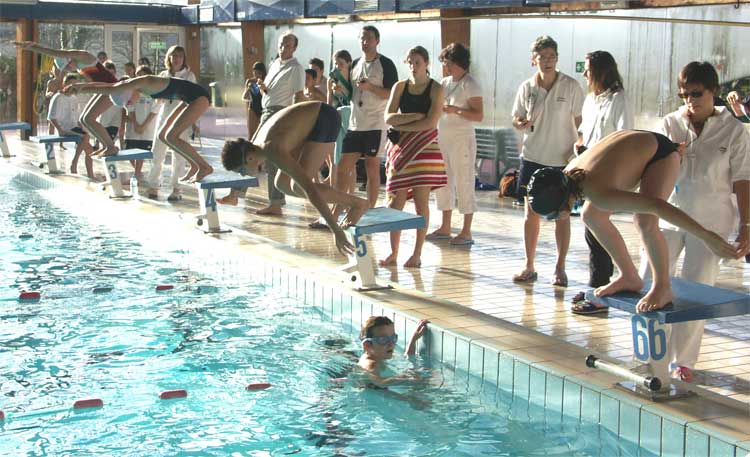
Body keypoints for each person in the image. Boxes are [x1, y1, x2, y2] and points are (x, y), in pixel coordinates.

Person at [526, 130, 742, 313]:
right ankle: (629, 276)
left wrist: (707, 237)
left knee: (645, 221)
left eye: (553, 215)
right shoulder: (572, 172)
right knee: (591, 215)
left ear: (563, 204)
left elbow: (658, 206)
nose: (555, 219)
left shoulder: (598, 192)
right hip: (644, 143)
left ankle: (662, 287)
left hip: (661, 155)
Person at [643, 61, 750, 382]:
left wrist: (746, 226)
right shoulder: (670, 123)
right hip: (669, 216)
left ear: (713, 91)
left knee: (696, 288)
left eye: (697, 93)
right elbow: (650, 170)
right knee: (652, 281)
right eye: (684, 94)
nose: (690, 100)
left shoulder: (733, 130)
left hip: (712, 223)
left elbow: (743, 180)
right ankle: (649, 354)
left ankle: (683, 361)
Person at [220, 101, 369, 256]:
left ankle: (358, 204)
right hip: (309, 123)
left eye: (241, 170)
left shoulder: (272, 149)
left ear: (249, 158)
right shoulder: (257, 145)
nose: (243, 174)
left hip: (324, 119)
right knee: (281, 183)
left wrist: (336, 231)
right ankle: (351, 203)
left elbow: (310, 190)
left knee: (299, 186)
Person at [511, 35, 584, 287]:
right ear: (534, 60)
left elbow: (580, 121)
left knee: (562, 214)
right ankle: (529, 265)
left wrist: (581, 149)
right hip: (533, 156)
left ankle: (560, 267)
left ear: (557, 58)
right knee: (530, 214)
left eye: (552, 56)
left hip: (563, 159)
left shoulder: (570, 86)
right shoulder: (527, 87)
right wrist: (520, 123)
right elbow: (516, 118)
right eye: (542, 57)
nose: (547, 61)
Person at [570, 50, 634, 315]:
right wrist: (580, 146)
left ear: (602, 71)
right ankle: (599, 282)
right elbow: (584, 132)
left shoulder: (619, 99)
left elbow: (625, 136)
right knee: (592, 226)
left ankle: (602, 283)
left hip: (609, 170)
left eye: (588, 69)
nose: (585, 74)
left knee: (594, 222)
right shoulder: (591, 99)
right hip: (589, 169)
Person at [64, 74, 214, 182]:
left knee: (171, 136)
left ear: (128, 93)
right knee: (162, 136)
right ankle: (194, 165)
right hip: (187, 99)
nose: (131, 104)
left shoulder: (145, 82)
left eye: (129, 102)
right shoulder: (133, 86)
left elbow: (111, 89)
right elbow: (110, 87)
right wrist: (80, 86)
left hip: (199, 98)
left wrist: (80, 89)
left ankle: (204, 167)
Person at [217, 32, 305, 211]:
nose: (283, 48)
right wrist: (264, 89)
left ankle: (245, 196)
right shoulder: (275, 64)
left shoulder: (296, 68)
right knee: (262, 156)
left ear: (295, 48)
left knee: (256, 153)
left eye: (288, 45)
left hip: (280, 114)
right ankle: (269, 202)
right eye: (281, 44)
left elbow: (299, 96)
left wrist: (293, 123)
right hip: (267, 111)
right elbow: (272, 92)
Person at [380, 46, 446, 268]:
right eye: (410, 62)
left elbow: (431, 122)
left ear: (426, 64)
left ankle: (417, 254)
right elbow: (389, 117)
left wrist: (403, 125)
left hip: (425, 149)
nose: (413, 66)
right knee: (395, 202)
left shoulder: (436, 88)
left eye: (417, 62)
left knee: (421, 203)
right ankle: (393, 252)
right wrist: (414, 117)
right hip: (401, 147)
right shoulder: (400, 86)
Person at [13, 41, 119, 158]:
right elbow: (94, 83)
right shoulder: (79, 66)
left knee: (89, 118)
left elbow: (55, 52)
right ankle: (106, 146)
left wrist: (34, 48)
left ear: (69, 59)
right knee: (84, 119)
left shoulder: (83, 56)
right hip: (106, 89)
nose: (69, 69)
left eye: (68, 66)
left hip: (114, 89)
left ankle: (111, 147)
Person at [336, 26, 398, 212]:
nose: (365, 42)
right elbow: (351, 94)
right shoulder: (355, 64)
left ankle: (369, 208)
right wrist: (340, 90)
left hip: (375, 124)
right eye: (362, 38)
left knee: (372, 168)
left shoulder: (386, 64)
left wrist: (370, 87)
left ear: (377, 41)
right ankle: (340, 206)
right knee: (342, 167)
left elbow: (392, 94)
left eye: (369, 38)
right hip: (355, 123)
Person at [428, 42, 484, 246]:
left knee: (464, 181)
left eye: (449, 63)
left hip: (462, 139)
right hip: (443, 136)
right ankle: (445, 226)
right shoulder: (444, 83)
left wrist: (456, 110)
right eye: (445, 63)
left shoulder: (471, 84)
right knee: (443, 181)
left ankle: (466, 231)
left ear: (460, 63)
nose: (446, 67)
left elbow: (478, 115)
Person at [145, 45, 198, 201]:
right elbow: (155, 97)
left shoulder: (189, 76)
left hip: (181, 118)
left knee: (179, 155)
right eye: (174, 56)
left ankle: (177, 188)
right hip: (164, 116)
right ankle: (153, 185)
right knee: (157, 152)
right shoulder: (163, 75)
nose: (176, 59)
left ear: (184, 59)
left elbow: (193, 100)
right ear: (169, 57)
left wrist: (194, 122)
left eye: (180, 56)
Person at [357, 316, 429, 387]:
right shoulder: (370, 364)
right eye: (383, 340)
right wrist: (403, 379)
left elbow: (407, 358)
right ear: (367, 345)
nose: (391, 344)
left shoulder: (377, 355)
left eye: (393, 338)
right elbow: (380, 382)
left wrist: (414, 339)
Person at [47, 73, 96, 179]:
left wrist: (82, 127)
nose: (73, 88)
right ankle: (74, 163)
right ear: (64, 84)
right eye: (70, 84)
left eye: (75, 85)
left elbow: (77, 118)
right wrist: (60, 130)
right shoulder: (58, 97)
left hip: (74, 128)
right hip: (65, 128)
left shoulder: (74, 98)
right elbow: (51, 117)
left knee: (89, 150)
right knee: (86, 137)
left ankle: (91, 175)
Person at [124, 66, 159, 181]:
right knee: (129, 152)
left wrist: (143, 126)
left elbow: (155, 109)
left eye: (142, 75)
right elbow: (130, 107)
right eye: (138, 75)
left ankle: (137, 174)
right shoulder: (132, 91)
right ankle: (138, 172)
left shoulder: (154, 92)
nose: (140, 77)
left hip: (147, 127)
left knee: (141, 152)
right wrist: (135, 124)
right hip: (133, 127)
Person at [242, 61, 266, 139]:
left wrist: (262, 86)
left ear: (263, 73)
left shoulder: (265, 81)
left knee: (262, 132)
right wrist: (248, 89)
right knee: (251, 133)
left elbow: (267, 95)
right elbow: (245, 97)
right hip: (253, 108)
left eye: (259, 73)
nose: (257, 75)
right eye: (255, 73)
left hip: (263, 108)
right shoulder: (250, 81)